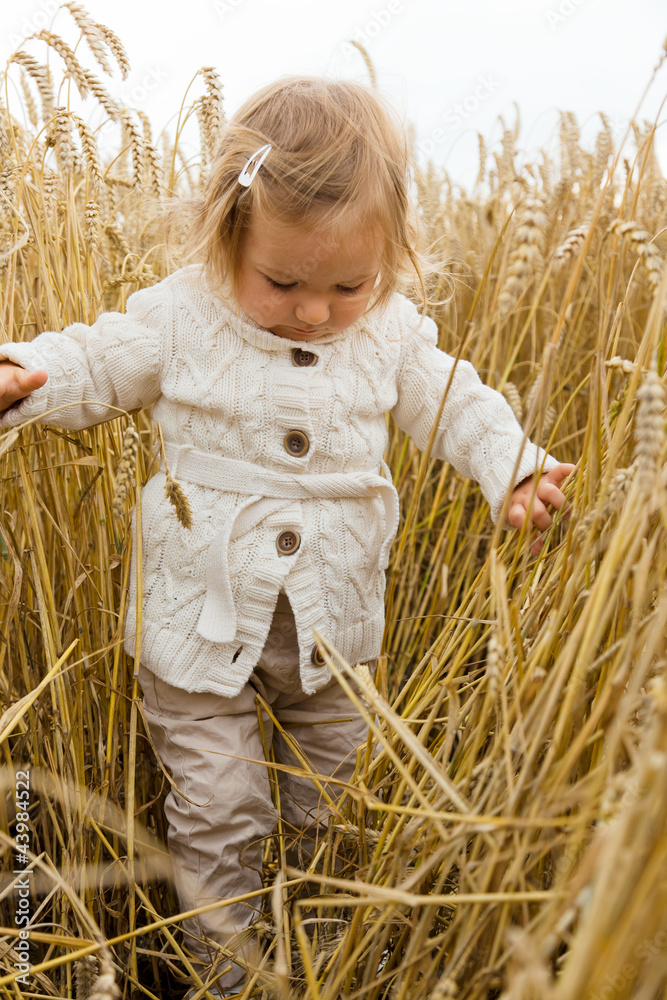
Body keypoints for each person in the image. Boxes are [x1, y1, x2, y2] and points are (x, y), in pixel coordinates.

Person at [0, 76, 574, 997]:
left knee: (329, 816)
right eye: (283, 282)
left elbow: (458, 404)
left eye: (349, 283)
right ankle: (229, 979)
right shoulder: (185, 315)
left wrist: (512, 466)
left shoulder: (386, 334)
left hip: (334, 642)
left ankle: (329, 965)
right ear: (230, 234)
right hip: (198, 635)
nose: (315, 311)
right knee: (222, 812)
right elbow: (100, 358)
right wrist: (28, 372)